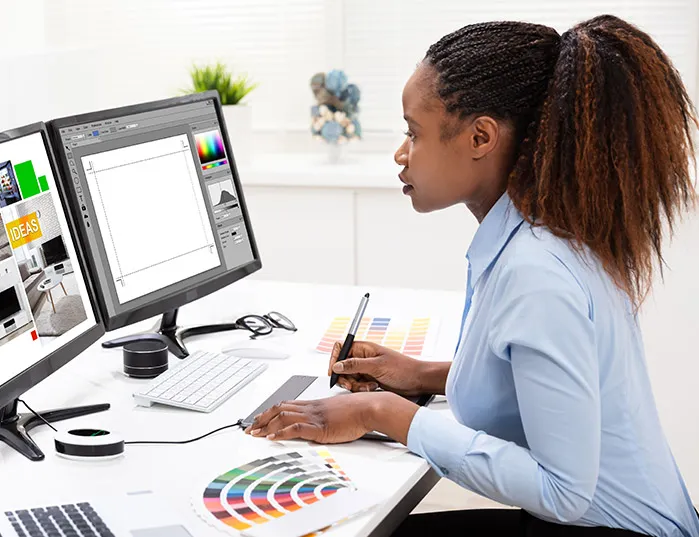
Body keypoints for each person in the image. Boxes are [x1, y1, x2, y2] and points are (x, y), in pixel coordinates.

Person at [245, 15, 699, 536]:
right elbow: (538, 383)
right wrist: (420, 375)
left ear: (480, 136)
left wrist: (382, 412)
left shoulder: (537, 272)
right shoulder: (541, 235)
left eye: (413, 133)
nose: (401, 153)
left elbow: (564, 492)